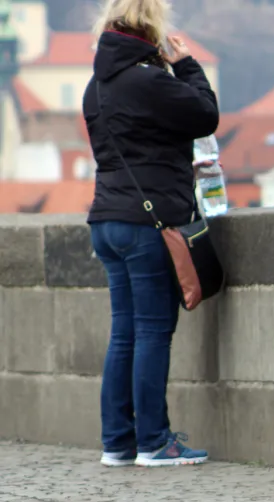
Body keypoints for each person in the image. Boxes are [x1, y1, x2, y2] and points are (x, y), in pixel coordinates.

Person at [83, 0, 219, 467]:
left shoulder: (97, 86)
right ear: (152, 27)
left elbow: (136, 144)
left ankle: (117, 442)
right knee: (153, 331)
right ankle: (155, 441)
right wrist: (187, 65)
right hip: (147, 224)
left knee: (124, 333)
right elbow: (205, 114)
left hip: (107, 219)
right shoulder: (148, 81)